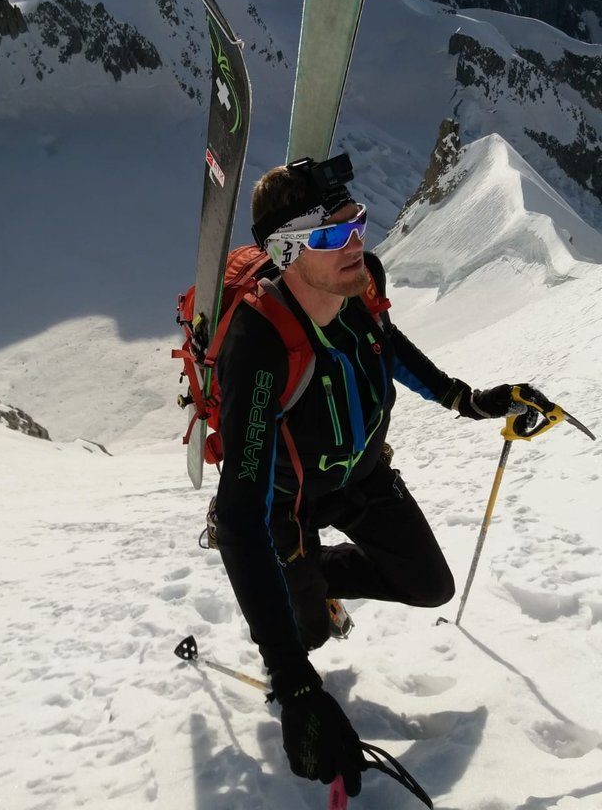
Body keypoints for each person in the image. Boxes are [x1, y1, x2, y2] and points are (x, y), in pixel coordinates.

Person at [213, 153, 548, 797]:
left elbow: (386, 345)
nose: (357, 243)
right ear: (286, 252)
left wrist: (466, 399)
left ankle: (312, 574)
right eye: (334, 233)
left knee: (430, 586)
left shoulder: (357, 287)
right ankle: (301, 582)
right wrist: (295, 682)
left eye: (356, 221)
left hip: (364, 478)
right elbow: (240, 518)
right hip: (289, 504)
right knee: (305, 633)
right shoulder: (257, 345)